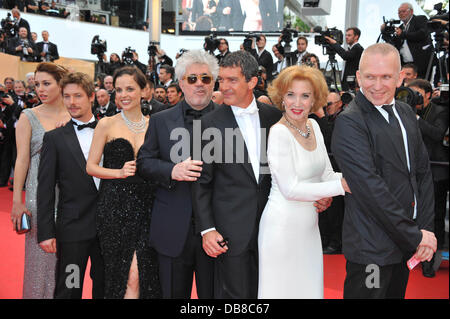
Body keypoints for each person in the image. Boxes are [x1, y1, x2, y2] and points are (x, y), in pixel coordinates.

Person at [191, 51, 331, 299]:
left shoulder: (276, 118)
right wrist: (207, 230)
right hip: (231, 230)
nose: (224, 86)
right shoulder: (208, 124)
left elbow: (298, 167)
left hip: (276, 226)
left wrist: (321, 194)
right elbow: (202, 183)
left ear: (252, 82)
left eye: (232, 80)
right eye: (221, 80)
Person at [331, 43, 437, 299]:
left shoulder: (405, 112)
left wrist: (426, 228)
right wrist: (415, 236)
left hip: (403, 245)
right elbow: (369, 189)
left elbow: (422, 173)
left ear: (401, 77)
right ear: (358, 77)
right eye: (370, 77)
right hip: (371, 248)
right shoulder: (350, 121)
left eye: (386, 77)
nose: (377, 85)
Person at [257, 65, 349, 299]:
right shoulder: (279, 133)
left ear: (315, 99)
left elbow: (327, 174)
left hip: (309, 229)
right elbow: (291, 189)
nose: (297, 103)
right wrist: (341, 187)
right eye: (291, 95)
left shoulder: (314, 126)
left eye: (305, 95)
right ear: (282, 98)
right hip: (281, 229)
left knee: (308, 291)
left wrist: (354, 178)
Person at [137, 49, 218, 299]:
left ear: (213, 82)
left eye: (205, 78)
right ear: (181, 82)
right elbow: (144, 162)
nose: (199, 84)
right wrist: (172, 170)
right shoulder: (161, 120)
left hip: (217, 230)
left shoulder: (230, 121)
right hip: (172, 229)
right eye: (192, 79)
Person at [86, 66, 161, 299]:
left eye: (130, 88)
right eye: (119, 90)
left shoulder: (156, 125)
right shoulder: (106, 124)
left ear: (144, 91)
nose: (123, 95)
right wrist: (118, 172)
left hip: (150, 209)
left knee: (144, 274)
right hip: (115, 209)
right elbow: (91, 167)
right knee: (124, 275)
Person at [36, 72, 105, 299]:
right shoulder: (55, 138)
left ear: (91, 96)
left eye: (78, 96)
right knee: (70, 287)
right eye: (67, 96)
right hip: (73, 229)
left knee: (106, 287)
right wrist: (46, 232)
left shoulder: (110, 131)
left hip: (108, 228)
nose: (72, 102)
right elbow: (45, 188)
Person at [10, 62, 70, 298]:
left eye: (47, 84)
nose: (41, 90)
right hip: (38, 198)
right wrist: (18, 201)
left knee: (67, 262)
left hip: (69, 198)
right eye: (37, 85)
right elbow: (22, 160)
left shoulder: (75, 113)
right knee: (39, 264)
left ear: (60, 84)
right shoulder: (28, 116)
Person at [408, 79, 449, 277]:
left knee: (433, 216)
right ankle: (413, 253)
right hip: (412, 172)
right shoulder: (403, 111)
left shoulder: (440, 112)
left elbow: (437, 133)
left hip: (436, 172)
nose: (413, 97)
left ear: (428, 94)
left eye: (417, 93)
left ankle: (431, 260)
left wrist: (414, 118)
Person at [381, 2, 433, 79]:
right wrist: (384, 32)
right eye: (399, 12)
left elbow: (422, 34)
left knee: (420, 86)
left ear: (411, 11)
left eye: (403, 11)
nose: (401, 14)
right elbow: (393, 44)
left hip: (421, 64)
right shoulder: (401, 27)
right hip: (405, 65)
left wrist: (403, 34)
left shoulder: (420, 19)